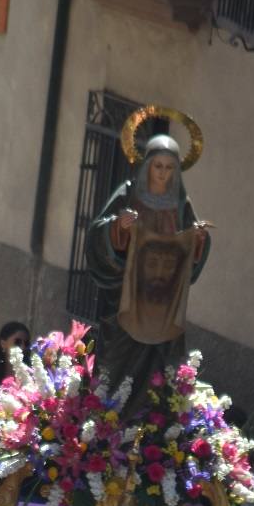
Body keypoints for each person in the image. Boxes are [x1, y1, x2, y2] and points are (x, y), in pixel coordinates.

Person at [85, 134, 210, 414]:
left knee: (158, 372)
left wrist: (198, 240)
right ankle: (104, 419)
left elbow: (187, 249)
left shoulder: (180, 204)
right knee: (117, 362)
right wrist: (118, 229)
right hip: (125, 297)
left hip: (161, 305)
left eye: (169, 168)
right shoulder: (129, 193)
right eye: (158, 166)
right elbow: (97, 234)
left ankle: (152, 426)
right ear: (147, 167)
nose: (163, 173)